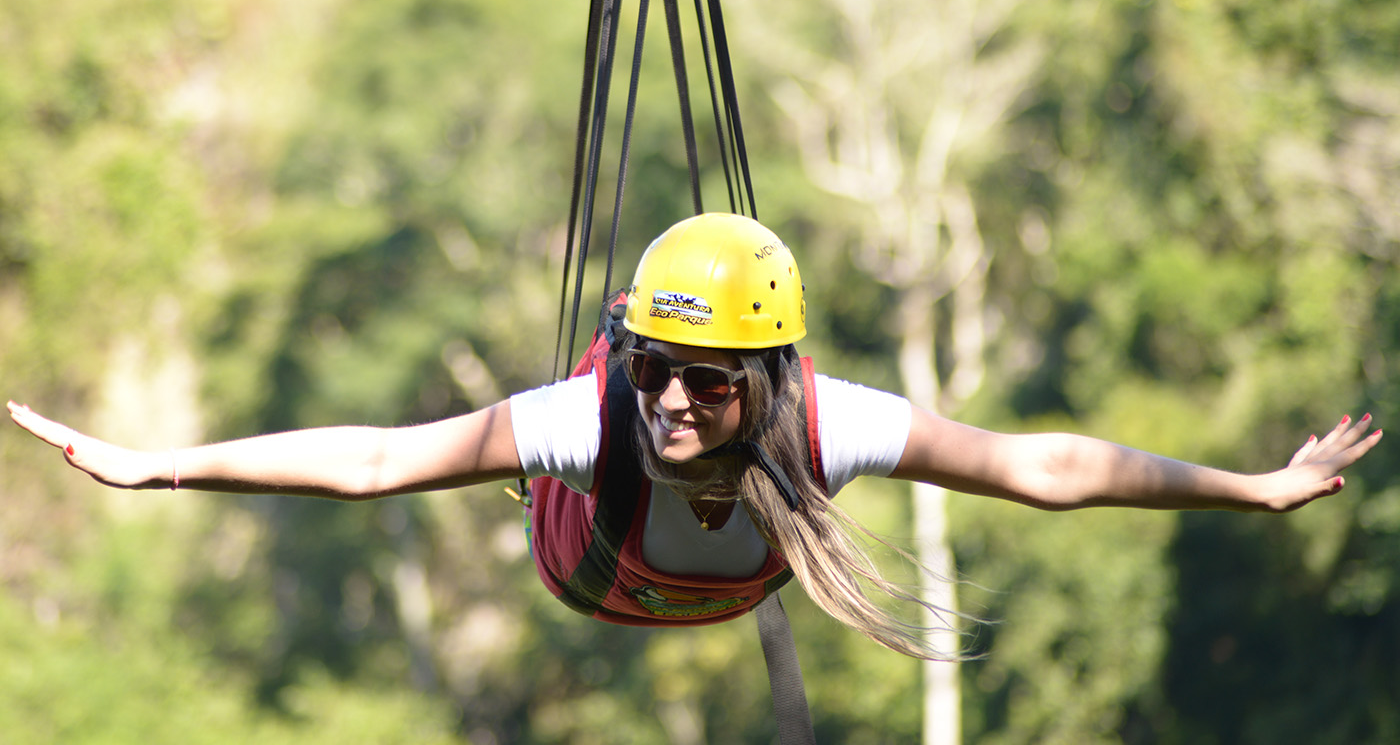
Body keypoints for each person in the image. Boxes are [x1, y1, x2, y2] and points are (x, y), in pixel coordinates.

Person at [7, 212, 1384, 660]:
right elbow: (376, 460)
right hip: (588, 567)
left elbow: (1052, 468)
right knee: (581, 425)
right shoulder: (588, 418)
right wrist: (157, 465)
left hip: (708, 586)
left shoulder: (827, 424)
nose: (673, 402)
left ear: (766, 381)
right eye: (659, 368)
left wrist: (1256, 491)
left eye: (710, 384)